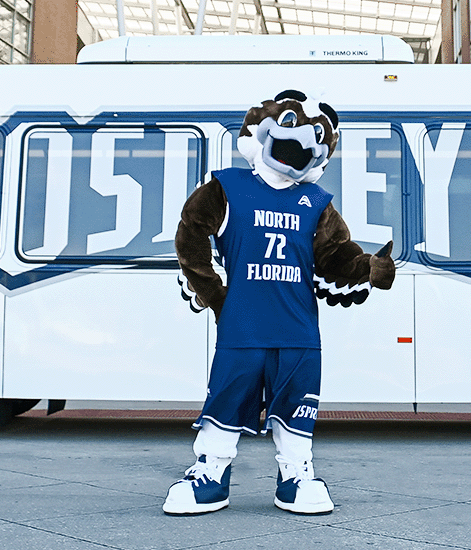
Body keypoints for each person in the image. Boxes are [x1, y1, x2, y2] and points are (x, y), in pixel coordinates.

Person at [163, 90, 395, 516]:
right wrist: (213, 293)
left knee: (296, 407)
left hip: (298, 331)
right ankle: (210, 475)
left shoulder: (317, 204)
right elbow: (191, 236)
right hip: (242, 327)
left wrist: (367, 267)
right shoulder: (226, 188)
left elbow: (335, 258)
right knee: (226, 401)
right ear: (260, 127)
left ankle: (295, 476)